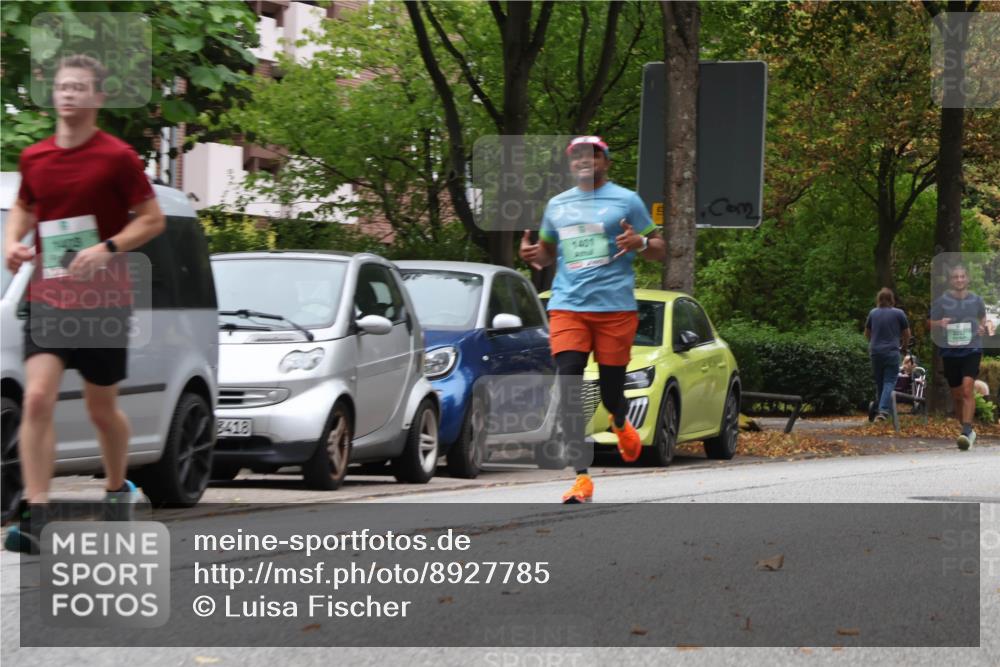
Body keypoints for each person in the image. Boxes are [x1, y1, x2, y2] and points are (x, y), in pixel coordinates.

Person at [3, 55, 166, 552]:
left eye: (79, 87)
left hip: (103, 300)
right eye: (62, 86)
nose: (68, 94)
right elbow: (26, 206)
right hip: (49, 295)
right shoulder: (35, 158)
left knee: (101, 409)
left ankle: (118, 489)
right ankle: (37, 511)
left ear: (97, 97)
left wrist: (107, 248)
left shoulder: (117, 158)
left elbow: (152, 220)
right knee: (36, 398)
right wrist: (13, 240)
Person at [519, 135, 666, 503]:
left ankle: (619, 421)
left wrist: (642, 244)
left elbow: (661, 249)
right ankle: (581, 478)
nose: (585, 161)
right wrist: (534, 255)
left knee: (610, 392)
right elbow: (548, 254)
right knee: (568, 385)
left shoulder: (627, 201)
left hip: (615, 309)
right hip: (568, 307)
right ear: (571, 164)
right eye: (578, 156)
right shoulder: (557, 205)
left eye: (593, 155)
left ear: (605, 162)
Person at [928, 264, 988, 451]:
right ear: (951, 280)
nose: (960, 280)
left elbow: (983, 319)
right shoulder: (942, 302)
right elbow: (928, 323)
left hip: (972, 349)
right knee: (957, 395)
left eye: (963, 276)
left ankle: (966, 430)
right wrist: (940, 323)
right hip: (950, 351)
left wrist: (982, 327)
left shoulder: (977, 300)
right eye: (956, 277)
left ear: (967, 279)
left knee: (967, 389)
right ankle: (968, 431)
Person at [864, 288, 911, 422]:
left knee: (880, 383)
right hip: (891, 351)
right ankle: (883, 411)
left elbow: (867, 333)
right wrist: (904, 346)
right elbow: (907, 334)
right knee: (890, 381)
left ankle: (882, 410)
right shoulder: (899, 313)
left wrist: (874, 342)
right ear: (892, 300)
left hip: (876, 352)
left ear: (878, 300)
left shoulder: (873, 313)